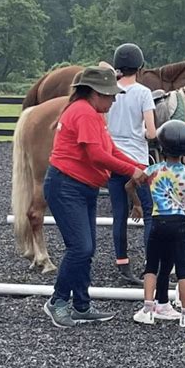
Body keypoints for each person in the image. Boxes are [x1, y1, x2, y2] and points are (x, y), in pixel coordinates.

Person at [43, 66, 148, 328]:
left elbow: (110, 149)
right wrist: (132, 170)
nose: (114, 100)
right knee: (81, 248)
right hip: (68, 185)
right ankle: (57, 301)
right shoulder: (85, 113)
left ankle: (81, 304)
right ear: (95, 93)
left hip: (79, 186)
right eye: (110, 95)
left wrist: (142, 168)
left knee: (84, 248)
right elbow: (97, 156)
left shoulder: (91, 113)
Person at [132, 120, 185, 327]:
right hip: (179, 222)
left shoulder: (153, 170)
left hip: (157, 221)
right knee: (182, 268)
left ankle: (148, 309)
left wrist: (137, 205)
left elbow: (130, 185)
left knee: (151, 265)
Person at [106, 43, 156, 285]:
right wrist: (146, 130)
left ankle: (122, 264)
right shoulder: (143, 93)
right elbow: (151, 132)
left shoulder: (108, 91)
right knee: (148, 213)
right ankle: (150, 266)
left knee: (119, 214)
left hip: (113, 159)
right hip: (137, 160)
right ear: (140, 66)